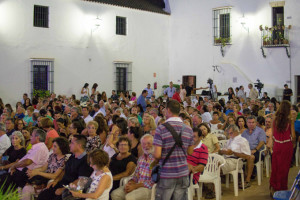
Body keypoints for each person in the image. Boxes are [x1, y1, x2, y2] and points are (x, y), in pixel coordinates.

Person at [153, 100, 194, 200]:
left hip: (167, 173)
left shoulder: (161, 129)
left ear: (168, 110)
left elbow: (157, 155)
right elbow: (190, 152)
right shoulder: (188, 129)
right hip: (183, 172)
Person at [37, 135, 93, 200]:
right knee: (43, 195)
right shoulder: (72, 156)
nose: (69, 145)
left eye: (72, 143)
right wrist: (56, 180)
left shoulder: (85, 161)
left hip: (72, 190)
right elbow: (65, 170)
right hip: (63, 184)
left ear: (79, 145)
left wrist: (64, 189)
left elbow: (81, 181)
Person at [111, 134, 155, 200]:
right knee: (115, 194)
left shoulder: (156, 159)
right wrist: (130, 183)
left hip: (149, 188)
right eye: (143, 143)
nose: (146, 146)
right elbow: (136, 176)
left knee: (130, 197)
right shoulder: (141, 158)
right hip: (137, 185)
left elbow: (153, 181)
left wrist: (135, 186)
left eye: (149, 143)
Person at [270, 100, 295, 196]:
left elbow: (272, 135)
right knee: (284, 168)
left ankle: (273, 187)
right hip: (286, 145)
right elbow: (293, 136)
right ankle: (282, 188)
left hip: (277, 145)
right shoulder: (289, 121)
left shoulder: (274, 119)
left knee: (275, 167)